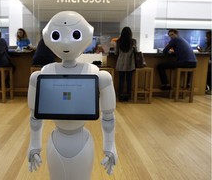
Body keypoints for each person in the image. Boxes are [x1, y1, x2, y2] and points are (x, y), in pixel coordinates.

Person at [27, 11, 118, 179]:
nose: (66, 41)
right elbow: (34, 116)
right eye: (57, 35)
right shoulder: (43, 74)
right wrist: (34, 145)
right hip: (56, 142)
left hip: (82, 142)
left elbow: (108, 115)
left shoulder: (96, 74)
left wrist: (110, 146)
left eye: (75, 34)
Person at [115, 26, 137, 102]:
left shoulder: (118, 41)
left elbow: (116, 52)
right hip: (130, 63)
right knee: (129, 80)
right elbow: (136, 51)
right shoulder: (133, 41)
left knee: (121, 80)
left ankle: (120, 96)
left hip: (120, 63)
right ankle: (128, 96)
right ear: (130, 33)